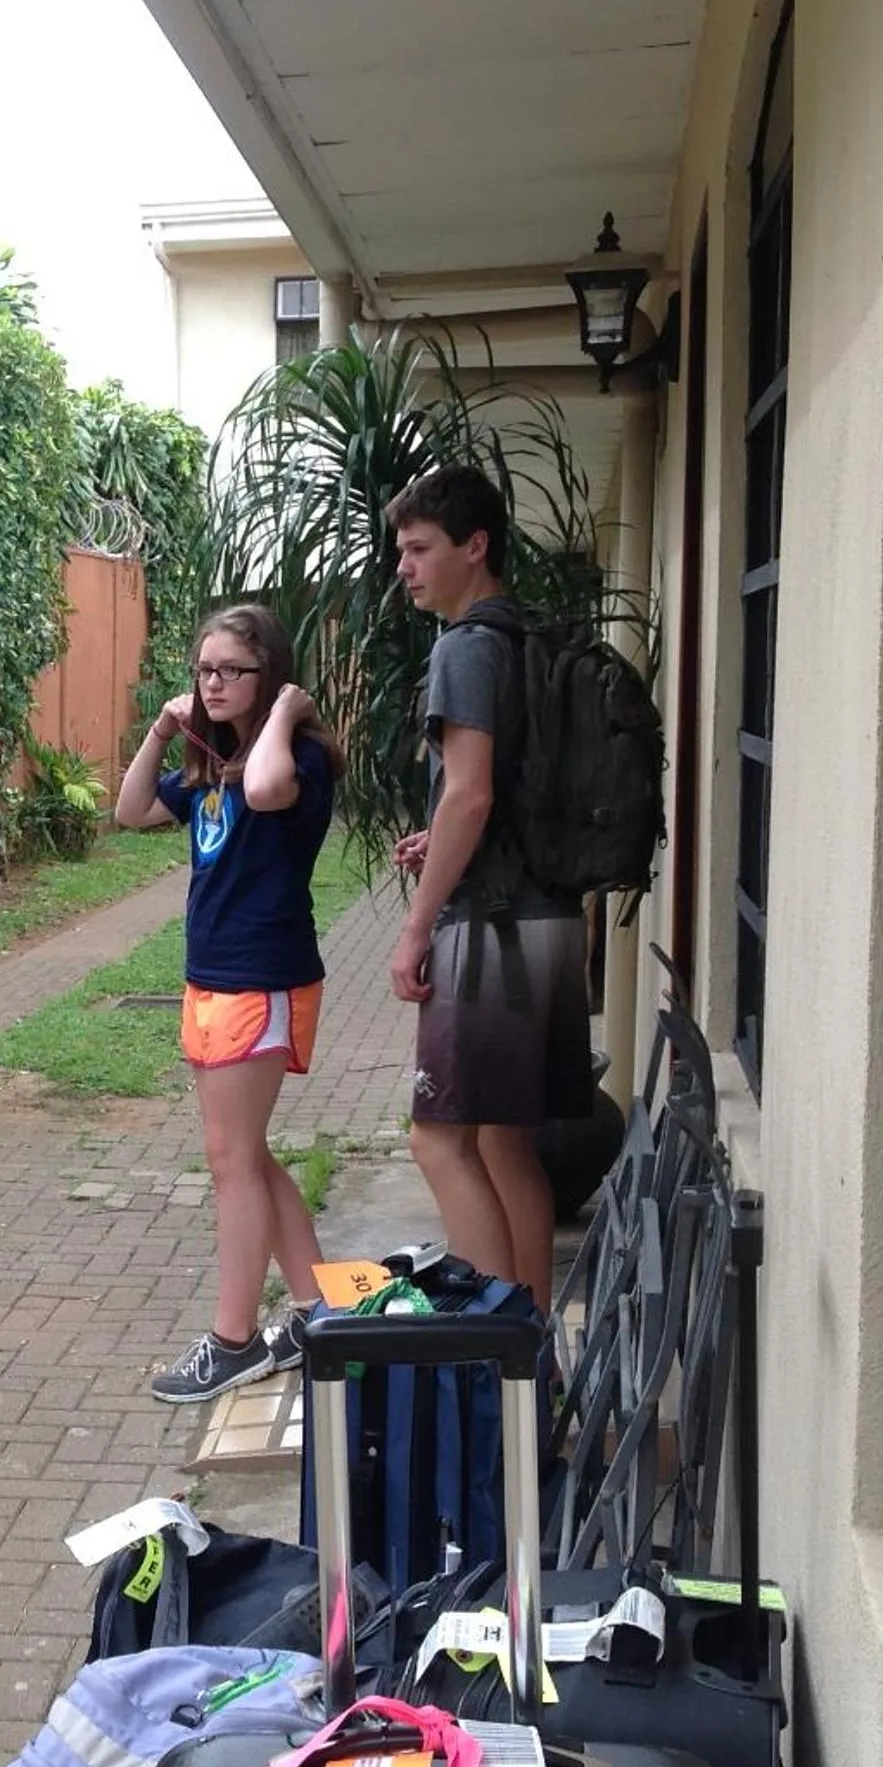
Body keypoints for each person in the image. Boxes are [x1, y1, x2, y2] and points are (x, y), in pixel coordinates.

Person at [114, 603, 344, 1403]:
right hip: (210, 976)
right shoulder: (214, 763)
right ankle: (319, 1309)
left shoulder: (297, 757)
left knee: (231, 1161)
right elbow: (131, 809)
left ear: (267, 674)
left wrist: (285, 709)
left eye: (231, 671)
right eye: (204, 670)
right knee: (243, 1155)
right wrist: (160, 734)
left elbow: (271, 786)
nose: (212, 683)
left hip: (262, 976)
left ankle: (235, 1338)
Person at [382, 464, 592, 1312]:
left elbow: (470, 791)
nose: (405, 566)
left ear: (476, 547)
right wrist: (448, 835)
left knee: (438, 1142)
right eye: (401, 550)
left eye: (421, 548)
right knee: (509, 1146)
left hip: (491, 933)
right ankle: (529, 1353)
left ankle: (489, 1350)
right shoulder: (528, 636)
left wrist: (413, 929)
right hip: (549, 921)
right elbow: (505, 789)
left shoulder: (465, 647)